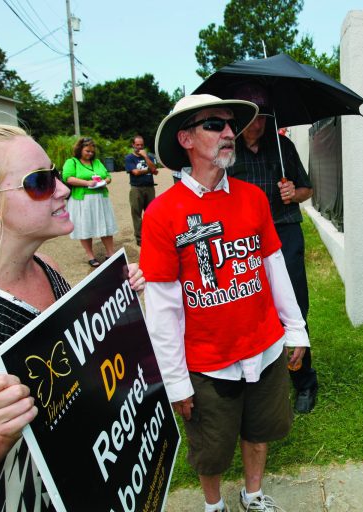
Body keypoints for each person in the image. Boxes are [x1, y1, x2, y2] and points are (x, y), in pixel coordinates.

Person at [0, 124, 145, 511]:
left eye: (56, 175)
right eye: (40, 182)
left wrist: (112, 306)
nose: (63, 189)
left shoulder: (44, 264)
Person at [140, 94, 309, 512]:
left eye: (230, 124)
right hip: (208, 361)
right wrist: (176, 380)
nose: (229, 132)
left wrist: (295, 330)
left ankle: (252, 494)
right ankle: (213, 505)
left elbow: (274, 267)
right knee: (211, 449)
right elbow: (162, 307)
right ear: (186, 138)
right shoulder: (162, 214)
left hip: (265, 346)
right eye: (214, 125)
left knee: (260, 430)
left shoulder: (253, 198)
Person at [228, 83, 319, 414]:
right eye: (252, 117)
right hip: (242, 241)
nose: (258, 124)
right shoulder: (228, 150)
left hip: (284, 232)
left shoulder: (283, 146)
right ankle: (260, 383)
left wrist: (292, 193)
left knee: (294, 306)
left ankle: (304, 381)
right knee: (250, 311)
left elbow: (307, 188)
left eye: (264, 117)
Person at [62, 136, 118, 267]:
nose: (90, 153)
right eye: (87, 151)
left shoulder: (97, 162)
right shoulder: (72, 162)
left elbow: (108, 176)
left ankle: (110, 253)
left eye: (92, 151)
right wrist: (87, 183)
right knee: (85, 226)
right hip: (82, 200)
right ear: (80, 149)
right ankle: (90, 255)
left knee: (106, 225)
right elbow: (67, 178)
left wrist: (105, 182)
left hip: (100, 198)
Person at [124, 134, 158, 246]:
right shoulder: (129, 158)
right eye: (137, 145)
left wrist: (146, 157)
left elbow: (155, 169)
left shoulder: (148, 156)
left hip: (149, 188)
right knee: (137, 214)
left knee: (151, 213)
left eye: (141, 145)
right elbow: (135, 172)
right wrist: (149, 170)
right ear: (133, 145)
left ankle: (152, 236)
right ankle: (140, 239)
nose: (139, 147)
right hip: (136, 188)